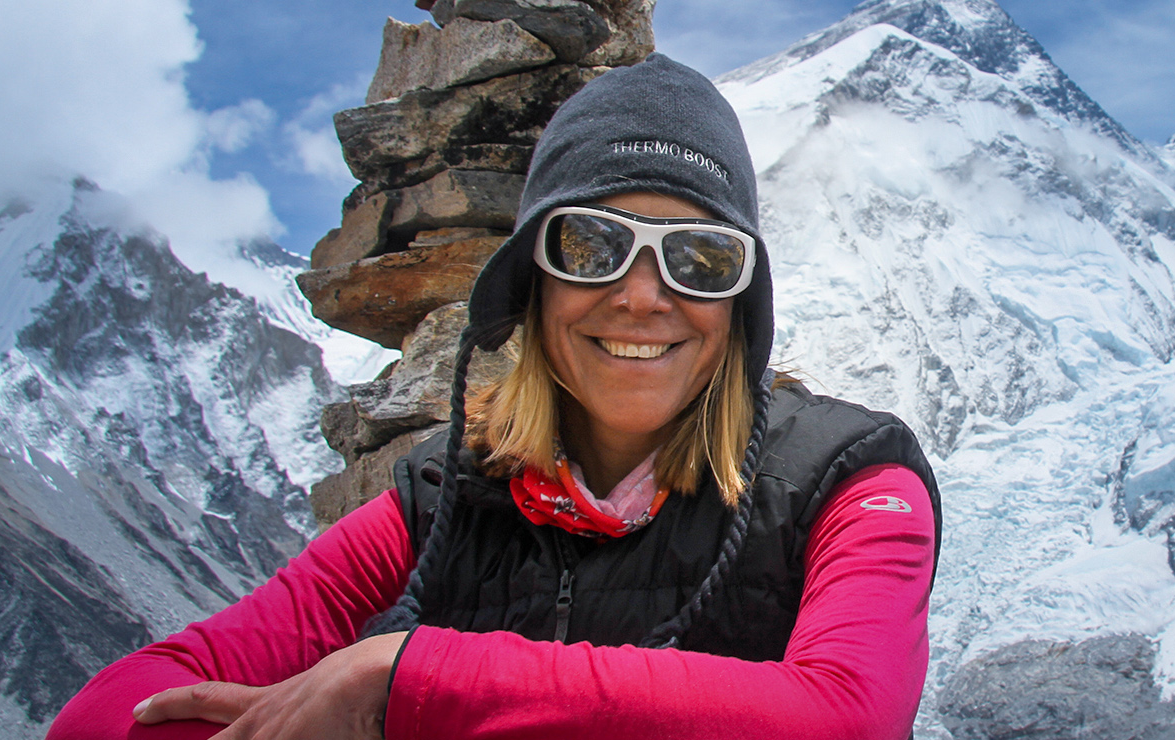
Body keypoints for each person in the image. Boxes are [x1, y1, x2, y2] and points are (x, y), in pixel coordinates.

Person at [47, 54, 940, 740]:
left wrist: (404, 684)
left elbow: (843, 715)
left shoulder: (850, 484)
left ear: (739, 307)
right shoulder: (440, 502)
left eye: (701, 260)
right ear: (531, 284)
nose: (642, 296)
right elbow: (116, 710)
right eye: (591, 245)